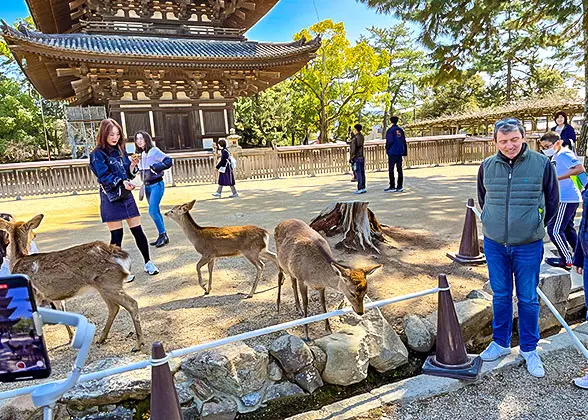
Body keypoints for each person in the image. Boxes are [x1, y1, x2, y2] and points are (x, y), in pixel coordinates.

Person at [477, 118, 559, 378]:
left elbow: (552, 201)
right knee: (500, 295)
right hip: (495, 244)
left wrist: (534, 225)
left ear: (523, 137)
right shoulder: (487, 166)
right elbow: (483, 198)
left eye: (514, 139)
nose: (509, 145)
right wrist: (492, 222)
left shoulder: (542, 164)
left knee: (527, 297)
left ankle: (529, 348)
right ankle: (500, 342)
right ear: (495, 142)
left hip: (528, 245)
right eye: (503, 141)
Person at [90, 119, 159, 277]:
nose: (115, 137)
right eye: (111, 134)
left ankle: (148, 262)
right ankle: (118, 272)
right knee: (117, 235)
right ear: (104, 134)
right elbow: (103, 175)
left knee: (138, 231)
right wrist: (121, 182)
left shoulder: (120, 150)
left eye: (117, 134)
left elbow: (127, 173)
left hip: (126, 196)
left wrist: (132, 167)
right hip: (111, 198)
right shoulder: (97, 154)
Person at [539, 131, 584, 269]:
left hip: (566, 198)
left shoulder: (564, 154)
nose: (546, 150)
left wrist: (557, 179)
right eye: (543, 147)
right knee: (568, 229)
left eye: (547, 146)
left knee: (554, 230)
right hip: (565, 197)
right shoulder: (557, 156)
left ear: (557, 143)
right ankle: (580, 258)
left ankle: (567, 259)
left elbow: (579, 169)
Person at [134, 131, 173, 248]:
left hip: (156, 185)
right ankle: (163, 235)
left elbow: (168, 161)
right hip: (146, 185)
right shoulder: (139, 154)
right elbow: (137, 169)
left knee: (152, 211)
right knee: (155, 211)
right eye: (137, 139)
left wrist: (157, 167)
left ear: (146, 139)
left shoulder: (154, 151)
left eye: (141, 138)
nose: (139, 141)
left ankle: (163, 235)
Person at [384, 116, 407, 192]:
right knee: (399, 169)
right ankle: (400, 186)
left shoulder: (390, 130)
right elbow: (404, 141)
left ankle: (392, 185)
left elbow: (389, 141)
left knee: (391, 169)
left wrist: (387, 149)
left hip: (392, 152)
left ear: (391, 121)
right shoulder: (400, 130)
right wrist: (404, 152)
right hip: (399, 152)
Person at [350, 124, 366, 194]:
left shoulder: (355, 138)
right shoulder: (361, 136)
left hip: (356, 157)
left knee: (358, 172)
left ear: (356, 129)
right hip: (361, 156)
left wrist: (351, 158)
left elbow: (353, 149)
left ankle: (359, 187)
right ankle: (363, 187)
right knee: (362, 172)